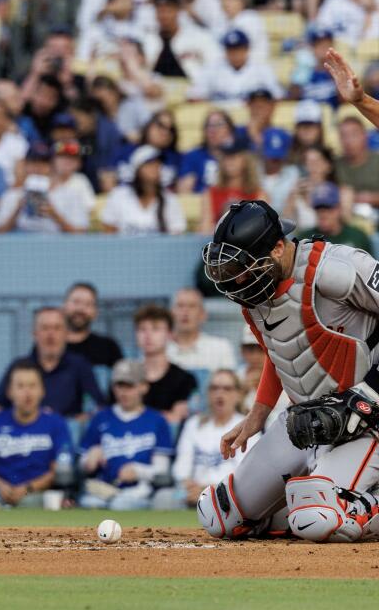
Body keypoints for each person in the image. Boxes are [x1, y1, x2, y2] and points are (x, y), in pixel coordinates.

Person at [198, 198, 379, 542]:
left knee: (317, 518)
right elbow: (280, 352)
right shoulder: (254, 294)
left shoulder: (336, 269)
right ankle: (307, 499)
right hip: (306, 423)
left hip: (368, 422)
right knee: (219, 515)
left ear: (278, 248)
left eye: (243, 268)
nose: (236, 280)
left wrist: (370, 393)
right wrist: (256, 416)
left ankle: (331, 500)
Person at [0, 360, 71, 507]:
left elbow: (59, 470)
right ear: (10, 391)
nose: (27, 393)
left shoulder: (56, 423)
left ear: (42, 390)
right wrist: (0, 485)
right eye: (21, 386)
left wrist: (28, 488)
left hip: (37, 494)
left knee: (29, 503)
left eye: (32, 386)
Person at [79, 359, 173, 511]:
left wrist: (138, 471)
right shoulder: (101, 418)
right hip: (103, 489)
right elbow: (82, 464)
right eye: (119, 386)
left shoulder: (157, 420)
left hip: (140, 491)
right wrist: (90, 458)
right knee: (89, 503)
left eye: (130, 386)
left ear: (143, 386)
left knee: (121, 504)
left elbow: (162, 469)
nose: (123, 392)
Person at [153, 369, 249, 509]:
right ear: (208, 393)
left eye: (227, 389)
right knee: (163, 497)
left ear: (238, 395)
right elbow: (182, 466)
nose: (219, 393)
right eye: (214, 388)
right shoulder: (193, 424)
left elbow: (244, 473)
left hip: (227, 494)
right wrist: (186, 483)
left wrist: (208, 490)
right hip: (190, 492)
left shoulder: (246, 426)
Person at [0, 307, 105, 418]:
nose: (51, 335)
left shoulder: (79, 365)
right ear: (34, 334)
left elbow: (100, 406)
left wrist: (84, 420)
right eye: (45, 328)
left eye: (57, 328)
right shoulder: (19, 367)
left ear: (66, 334)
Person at [135, 304, 199, 423]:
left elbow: (176, 419)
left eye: (156, 329)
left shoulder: (184, 379)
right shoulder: (127, 378)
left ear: (169, 334)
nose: (148, 335)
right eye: (142, 329)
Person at [100, 147, 185, 235]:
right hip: (126, 248)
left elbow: (176, 236)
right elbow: (108, 233)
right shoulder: (118, 196)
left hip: (159, 249)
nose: (155, 167)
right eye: (149, 164)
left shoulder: (170, 199)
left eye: (158, 164)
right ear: (137, 169)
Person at [168, 288, 238, 374]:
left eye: (192, 306)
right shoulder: (159, 350)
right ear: (171, 314)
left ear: (203, 315)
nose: (185, 312)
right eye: (180, 306)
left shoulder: (220, 348)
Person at [294, 182, 374, 251]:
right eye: (319, 209)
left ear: (339, 208)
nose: (323, 214)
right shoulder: (305, 239)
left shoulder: (358, 236)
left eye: (328, 208)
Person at [62, 282, 124, 369]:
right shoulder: (49, 347)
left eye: (87, 304)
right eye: (76, 302)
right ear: (64, 307)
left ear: (95, 312)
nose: (80, 309)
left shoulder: (108, 348)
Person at [334, 115, 379, 206]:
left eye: (353, 135)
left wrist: (369, 198)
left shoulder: (377, 161)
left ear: (365, 136)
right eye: (343, 136)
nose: (348, 141)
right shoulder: (334, 165)